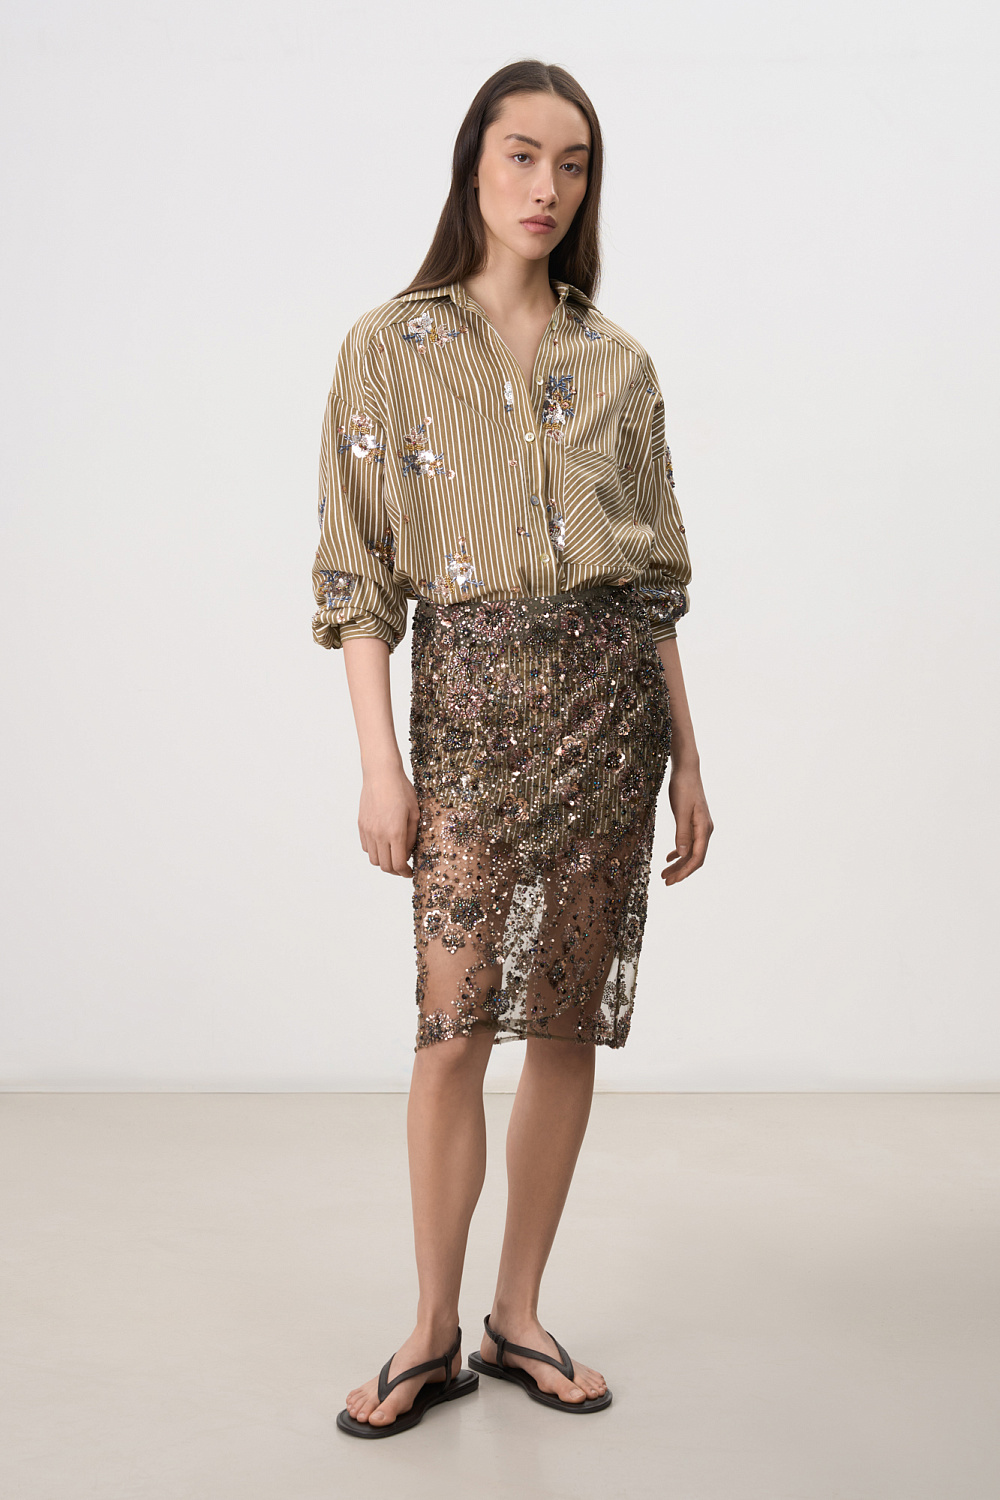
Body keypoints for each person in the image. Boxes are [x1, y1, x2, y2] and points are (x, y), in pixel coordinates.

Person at [312, 59, 713, 1439]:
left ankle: (517, 1313)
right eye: (524, 156)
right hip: (470, 716)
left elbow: (652, 584)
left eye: (573, 164)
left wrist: (691, 759)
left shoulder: (621, 363)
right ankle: (430, 1329)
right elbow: (358, 576)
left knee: (564, 1024)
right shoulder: (389, 347)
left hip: (612, 719)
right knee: (452, 1029)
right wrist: (382, 767)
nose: (548, 187)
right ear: (473, 166)